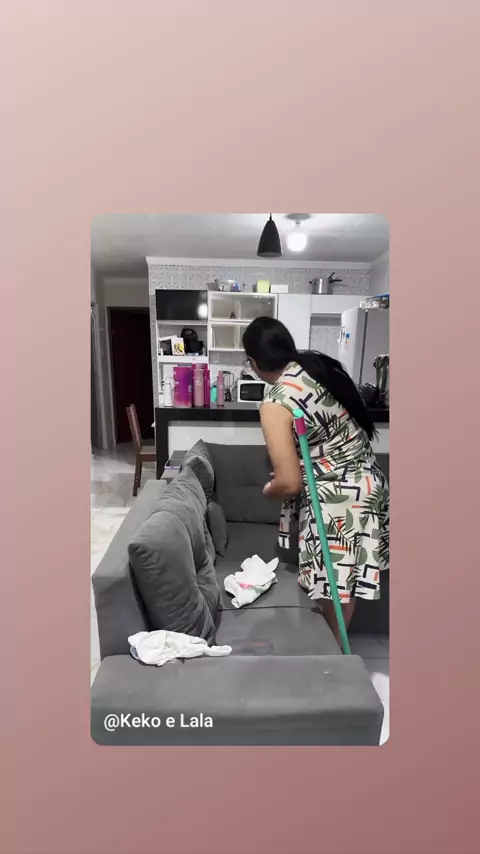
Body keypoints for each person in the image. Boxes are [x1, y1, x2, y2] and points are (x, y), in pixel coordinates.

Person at [242, 316, 389, 648]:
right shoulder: (314, 368)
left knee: (334, 590)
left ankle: (332, 661)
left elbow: (289, 484)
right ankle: (333, 651)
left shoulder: (275, 402)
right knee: (343, 586)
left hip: (339, 500)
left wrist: (270, 489)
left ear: (253, 362)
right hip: (368, 486)